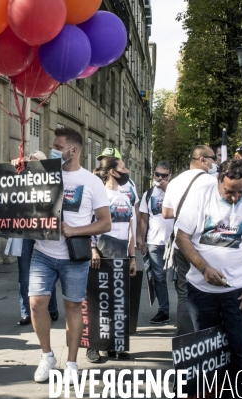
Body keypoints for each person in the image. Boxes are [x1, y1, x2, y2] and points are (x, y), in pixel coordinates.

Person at [175, 159, 242, 395]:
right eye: (229, 192)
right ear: (219, 179)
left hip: (239, 292)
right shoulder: (201, 195)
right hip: (201, 291)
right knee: (204, 351)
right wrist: (203, 268)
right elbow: (182, 237)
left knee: (240, 349)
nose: (235, 197)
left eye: (240, 191)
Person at [27, 127, 111, 385]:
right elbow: (16, 192)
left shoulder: (92, 182)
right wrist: (18, 170)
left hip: (74, 258)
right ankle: (47, 356)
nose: (53, 150)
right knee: (36, 304)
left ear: (73, 151)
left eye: (57, 146)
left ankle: (72, 362)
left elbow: (105, 223)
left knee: (72, 307)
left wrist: (75, 230)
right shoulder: (44, 174)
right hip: (42, 252)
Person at [162, 145, 217, 337]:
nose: (215, 162)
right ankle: (206, 339)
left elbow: (166, 213)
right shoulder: (212, 181)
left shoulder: (175, 182)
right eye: (213, 158)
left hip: (180, 244)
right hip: (204, 243)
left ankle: (185, 340)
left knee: (184, 293)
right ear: (203, 159)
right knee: (209, 291)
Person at [86, 156, 137, 363]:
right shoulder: (99, 196)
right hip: (101, 254)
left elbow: (131, 232)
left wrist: (132, 257)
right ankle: (92, 347)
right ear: (112, 172)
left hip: (121, 255)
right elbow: (88, 224)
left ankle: (116, 345)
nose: (126, 171)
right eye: (123, 168)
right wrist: (92, 249)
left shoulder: (126, 198)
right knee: (97, 303)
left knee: (119, 303)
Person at [14, 150, 59, 326]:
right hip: (25, 232)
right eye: (29, 163)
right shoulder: (21, 182)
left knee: (47, 272)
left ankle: (52, 309)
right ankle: (26, 312)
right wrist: (15, 168)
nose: (31, 165)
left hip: (44, 233)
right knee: (24, 274)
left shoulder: (50, 183)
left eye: (35, 162)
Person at [138, 161, 173, 325]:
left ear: (170, 176)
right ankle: (163, 310)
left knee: (180, 279)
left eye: (164, 175)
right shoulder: (148, 194)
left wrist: (168, 190)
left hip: (173, 243)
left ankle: (187, 311)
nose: (160, 178)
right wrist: (141, 240)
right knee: (158, 278)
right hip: (153, 242)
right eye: (157, 175)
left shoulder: (175, 192)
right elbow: (143, 220)